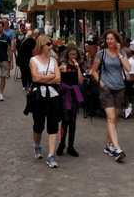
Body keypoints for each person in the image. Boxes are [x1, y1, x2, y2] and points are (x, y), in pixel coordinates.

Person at [90, 29, 131, 162]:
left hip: (120, 88)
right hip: (106, 89)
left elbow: (128, 68)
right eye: (107, 39)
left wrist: (119, 53)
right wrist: (101, 83)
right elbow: (93, 71)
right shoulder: (101, 54)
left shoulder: (122, 53)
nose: (109, 41)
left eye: (111, 39)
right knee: (111, 117)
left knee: (114, 120)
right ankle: (117, 147)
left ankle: (108, 145)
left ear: (117, 40)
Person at [28, 34, 62, 169]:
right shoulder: (33, 60)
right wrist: (50, 76)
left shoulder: (54, 61)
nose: (51, 46)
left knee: (53, 125)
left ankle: (51, 155)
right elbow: (35, 78)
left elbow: (58, 79)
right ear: (41, 45)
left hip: (53, 95)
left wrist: (45, 77)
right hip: (38, 96)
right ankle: (37, 145)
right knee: (38, 125)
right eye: (48, 44)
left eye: (51, 44)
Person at [57, 45, 83, 157]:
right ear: (67, 55)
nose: (73, 56)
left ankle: (71, 146)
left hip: (74, 95)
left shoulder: (78, 66)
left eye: (75, 54)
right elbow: (57, 78)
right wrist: (60, 69)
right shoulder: (63, 65)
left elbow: (80, 81)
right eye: (71, 54)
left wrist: (77, 68)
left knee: (73, 121)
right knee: (65, 120)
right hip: (65, 94)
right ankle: (61, 144)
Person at [123, 48, 134, 119]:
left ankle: (127, 108)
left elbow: (132, 78)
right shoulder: (126, 61)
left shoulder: (131, 62)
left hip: (132, 86)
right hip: (127, 84)